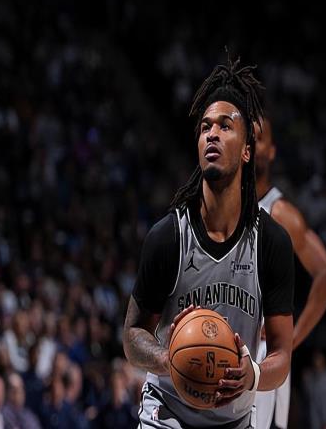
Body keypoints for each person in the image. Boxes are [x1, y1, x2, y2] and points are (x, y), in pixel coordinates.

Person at [123, 57, 295, 428]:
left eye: (224, 125)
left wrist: (252, 375)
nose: (212, 134)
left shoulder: (271, 242)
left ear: (247, 149)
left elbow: (282, 355)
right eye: (205, 127)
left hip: (234, 419)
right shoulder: (168, 237)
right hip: (166, 413)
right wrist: (166, 357)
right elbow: (133, 336)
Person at [253, 117, 326, 428]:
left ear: (272, 151)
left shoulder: (282, 213)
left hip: (262, 352)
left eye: (259, 137)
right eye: (247, 136)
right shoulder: (224, 206)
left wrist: (291, 338)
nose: (252, 143)